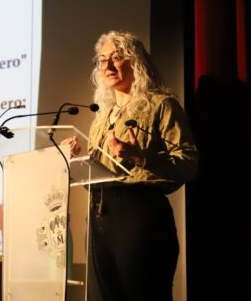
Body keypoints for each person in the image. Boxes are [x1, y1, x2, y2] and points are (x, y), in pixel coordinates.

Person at [65, 31, 198, 301]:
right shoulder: (102, 117)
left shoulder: (162, 105)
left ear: (135, 61)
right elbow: (100, 171)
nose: (108, 66)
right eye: (102, 60)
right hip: (100, 214)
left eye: (117, 57)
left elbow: (188, 164)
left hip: (139, 213)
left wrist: (141, 157)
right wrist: (75, 159)